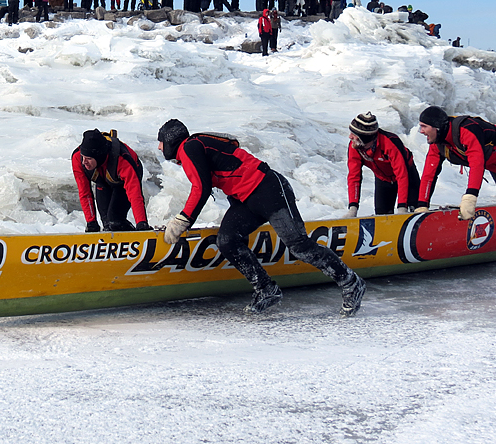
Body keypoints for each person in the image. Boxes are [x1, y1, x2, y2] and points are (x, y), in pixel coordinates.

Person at [156, 119, 366, 316]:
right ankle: (266, 289)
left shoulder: (189, 147)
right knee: (227, 240)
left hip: (269, 190)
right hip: (246, 200)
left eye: (161, 142)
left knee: (298, 245)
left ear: (171, 141)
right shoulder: (195, 146)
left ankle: (350, 282)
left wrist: (182, 220)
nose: (159, 148)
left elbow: (201, 188)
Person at [416, 106, 496, 220]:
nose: (420, 131)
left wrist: (470, 197)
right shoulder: (437, 143)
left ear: (437, 128)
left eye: (424, 126)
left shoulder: (467, 130)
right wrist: (422, 204)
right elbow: (429, 174)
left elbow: (477, 164)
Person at [72, 129, 150, 232]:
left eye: (89, 158)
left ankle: (133, 236)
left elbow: (135, 195)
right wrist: (91, 222)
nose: (84, 162)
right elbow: (84, 192)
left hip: (124, 180)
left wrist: (141, 223)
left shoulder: (123, 161)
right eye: (83, 157)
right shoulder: (77, 159)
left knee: (115, 221)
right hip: (103, 181)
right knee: (107, 225)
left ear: (98, 156)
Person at [347, 112, 420, 216]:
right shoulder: (355, 146)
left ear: (364, 137)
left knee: (415, 210)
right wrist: (352, 208)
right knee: (382, 215)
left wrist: (402, 207)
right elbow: (354, 177)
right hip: (383, 179)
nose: (350, 137)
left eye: (354, 134)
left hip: (408, 176)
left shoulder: (390, 143)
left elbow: (402, 175)